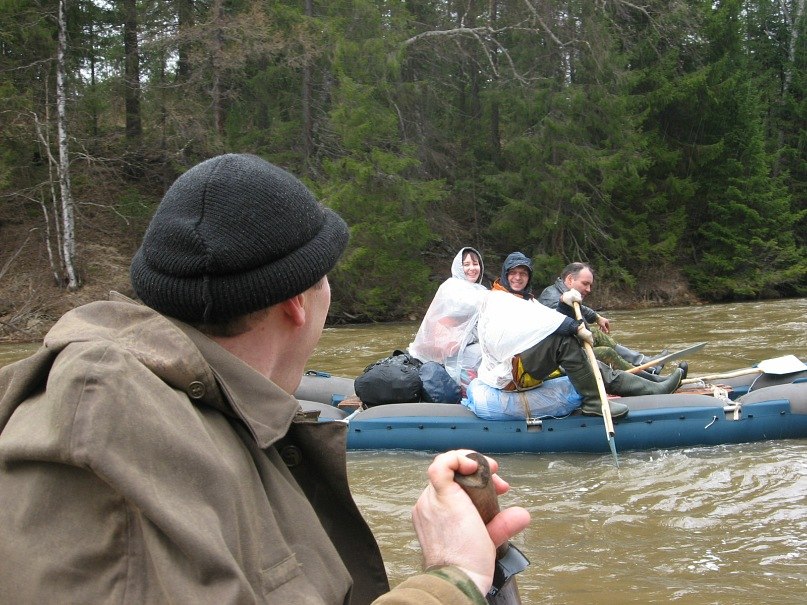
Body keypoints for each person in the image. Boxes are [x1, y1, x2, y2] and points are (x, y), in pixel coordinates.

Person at [0, 154, 530, 604]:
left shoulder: (199, 420)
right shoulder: (101, 432)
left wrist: (460, 564)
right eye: (325, 278)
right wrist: (450, 580)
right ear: (297, 302)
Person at [538, 262, 668, 372]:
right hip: (559, 356)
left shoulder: (565, 293)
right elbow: (560, 326)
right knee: (606, 352)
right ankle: (647, 377)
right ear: (570, 279)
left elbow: (581, 309)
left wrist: (596, 317)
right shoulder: (551, 297)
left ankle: (646, 363)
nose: (588, 289)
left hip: (570, 343)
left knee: (597, 334)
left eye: (590, 285)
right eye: (585, 284)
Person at [409, 247, 488, 392]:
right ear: (459, 267)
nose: (472, 268)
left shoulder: (481, 290)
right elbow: (456, 314)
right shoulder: (451, 287)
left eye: (475, 264)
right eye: (466, 264)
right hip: (449, 349)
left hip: (467, 346)